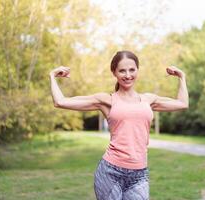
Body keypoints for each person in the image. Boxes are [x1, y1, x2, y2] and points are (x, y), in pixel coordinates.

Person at [49, 50, 189, 200]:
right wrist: (52, 76)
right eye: (122, 70)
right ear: (114, 72)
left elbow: (182, 103)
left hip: (139, 174)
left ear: (137, 70)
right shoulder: (106, 100)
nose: (128, 75)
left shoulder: (148, 99)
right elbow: (61, 102)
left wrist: (182, 77)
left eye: (132, 70)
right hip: (110, 172)